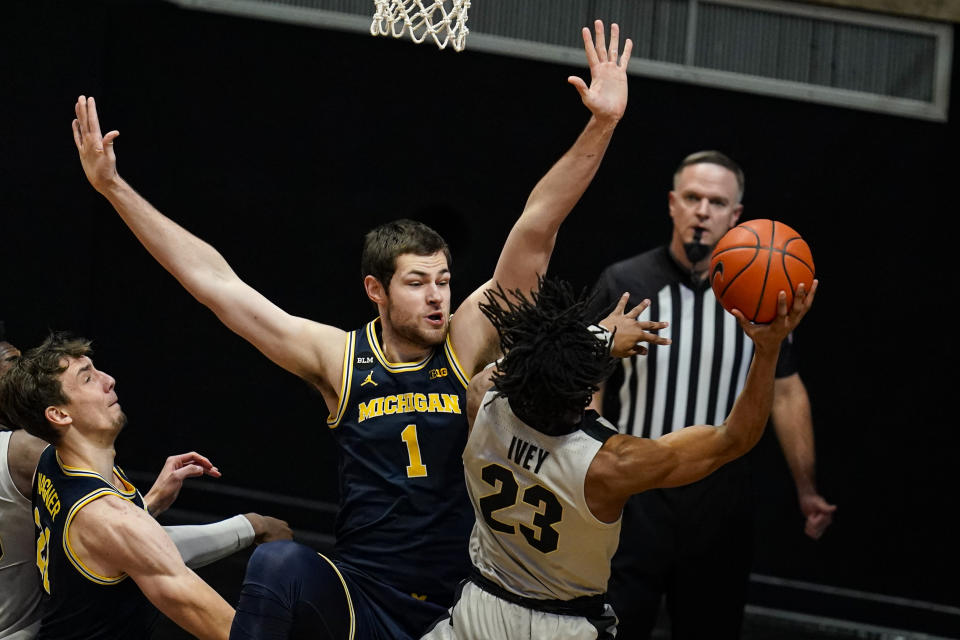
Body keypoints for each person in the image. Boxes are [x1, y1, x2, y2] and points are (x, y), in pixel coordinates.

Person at [72, 20, 634, 640]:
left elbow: (537, 226)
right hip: (362, 592)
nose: (437, 296)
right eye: (417, 282)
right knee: (278, 562)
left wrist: (601, 123)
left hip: (462, 599)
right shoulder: (342, 361)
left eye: (444, 280)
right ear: (376, 291)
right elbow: (217, 285)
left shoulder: (469, 341)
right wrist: (114, 188)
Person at [418, 274, 815, 640]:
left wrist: (599, 337)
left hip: (481, 609)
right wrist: (768, 349)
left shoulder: (482, 399)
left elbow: (528, 357)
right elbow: (735, 437)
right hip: (563, 626)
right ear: (581, 392)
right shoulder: (609, 465)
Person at [587, 150, 837, 639]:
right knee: (614, 628)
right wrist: (588, 466)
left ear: (736, 216)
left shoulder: (768, 296)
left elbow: (786, 393)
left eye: (716, 201)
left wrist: (806, 489)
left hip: (721, 494)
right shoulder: (625, 281)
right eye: (693, 198)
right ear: (672, 204)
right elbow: (590, 379)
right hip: (636, 491)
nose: (703, 210)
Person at [0, 333, 292, 640]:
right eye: (87, 379)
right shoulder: (106, 514)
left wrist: (146, 505)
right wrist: (251, 526)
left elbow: (118, 546)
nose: (109, 380)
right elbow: (229, 630)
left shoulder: (54, 461)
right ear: (59, 415)